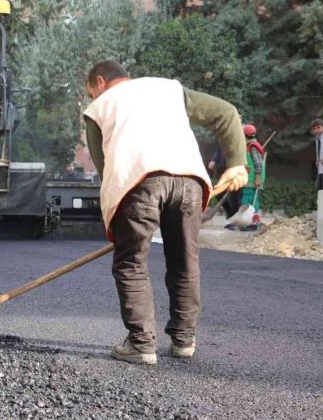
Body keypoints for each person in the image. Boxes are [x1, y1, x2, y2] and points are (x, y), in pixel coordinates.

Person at [83, 60, 247, 365]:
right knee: (185, 259)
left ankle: (141, 344)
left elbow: (108, 170)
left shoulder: (99, 107)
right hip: (190, 182)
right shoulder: (169, 89)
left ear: (100, 82)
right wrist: (238, 162)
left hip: (138, 183)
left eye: (91, 90)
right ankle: (184, 342)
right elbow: (227, 113)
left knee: (131, 264)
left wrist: (117, 225)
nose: (93, 97)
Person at [238, 124, 266, 231]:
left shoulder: (252, 146)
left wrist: (257, 178)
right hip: (247, 179)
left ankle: (250, 224)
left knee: (249, 202)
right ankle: (253, 223)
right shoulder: (249, 145)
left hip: (251, 180)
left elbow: (258, 164)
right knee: (251, 202)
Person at [207, 145, 242, 222]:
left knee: (235, 198)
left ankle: (235, 221)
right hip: (224, 173)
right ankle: (230, 213)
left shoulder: (236, 142)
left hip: (234, 172)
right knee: (218, 193)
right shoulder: (222, 143)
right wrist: (213, 160)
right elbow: (218, 153)